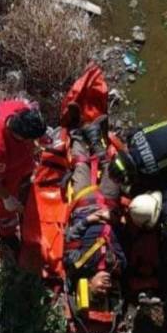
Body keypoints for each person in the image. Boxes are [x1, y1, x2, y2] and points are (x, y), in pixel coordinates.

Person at [63, 116, 126, 299]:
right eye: (107, 290)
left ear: (88, 283)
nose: (105, 286)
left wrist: (89, 220)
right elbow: (123, 236)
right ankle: (95, 136)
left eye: (99, 289)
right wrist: (114, 219)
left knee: (81, 165)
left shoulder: (77, 264)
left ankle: (77, 134)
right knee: (111, 169)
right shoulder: (119, 265)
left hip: (84, 207)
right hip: (107, 206)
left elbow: (70, 236)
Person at [0, 99, 46, 250]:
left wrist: (43, 138)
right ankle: (7, 235)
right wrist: (7, 198)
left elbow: (31, 106)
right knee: (4, 209)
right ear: (22, 137)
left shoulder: (18, 108)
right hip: (5, 175)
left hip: (19, 162)